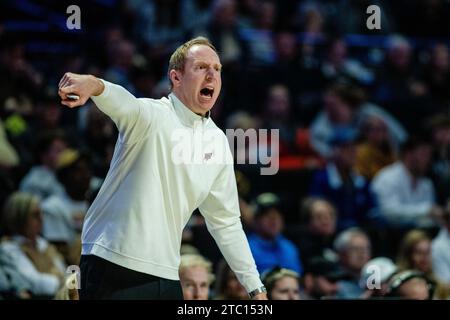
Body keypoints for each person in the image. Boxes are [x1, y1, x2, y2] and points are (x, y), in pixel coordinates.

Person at [58, 37, 267, 300]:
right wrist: (96, 85)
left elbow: (225, 223)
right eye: (201, 67)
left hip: (167, 272)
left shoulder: (218, 142)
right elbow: (125, 103)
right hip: (113, 263)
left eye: (217, 68)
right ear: (176, 77)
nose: (212, 74)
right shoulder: (152, 115)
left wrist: (255, 288)